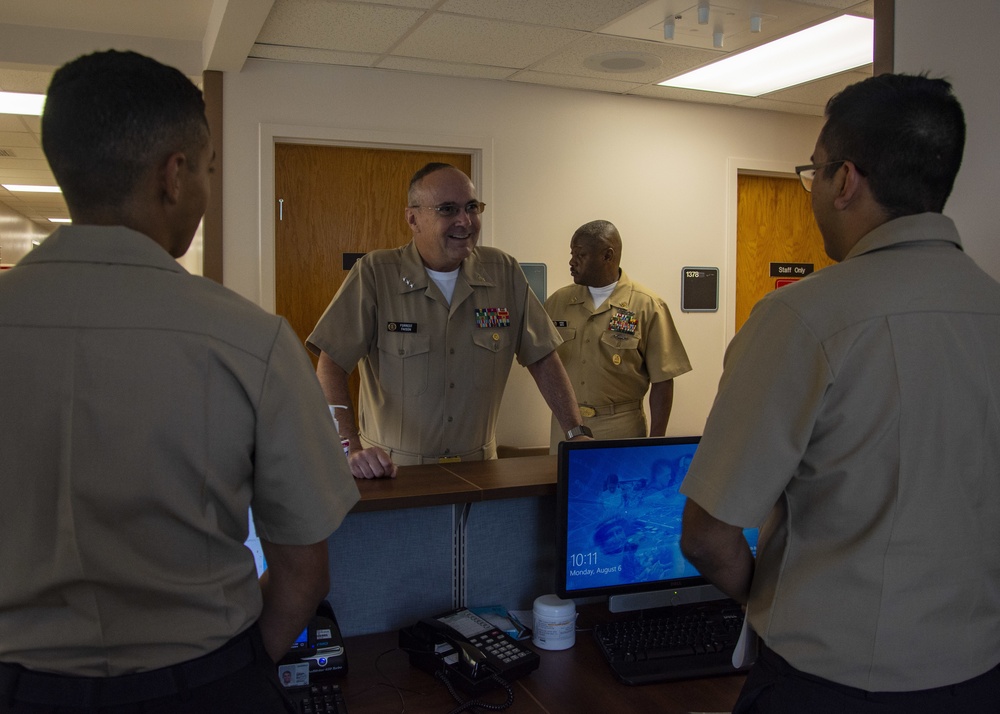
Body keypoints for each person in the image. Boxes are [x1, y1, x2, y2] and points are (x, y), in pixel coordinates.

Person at [0, 50, 360, 713]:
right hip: (205, 682)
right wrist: (245, 666)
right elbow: (303, 572)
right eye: (210, 170)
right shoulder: (253, 341)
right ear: (174, 174)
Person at [679, 73, 1000, 713]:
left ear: (846, 180)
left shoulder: (802, 320)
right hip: (979, 677)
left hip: (827, 682)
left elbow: (708, 536)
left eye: (814, 173)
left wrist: (766, 599)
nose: (814, 192)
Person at [308, 162, 590, 478]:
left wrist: (575, 431)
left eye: (472, 207)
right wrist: (351, 447)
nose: (464, 221)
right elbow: (331, 364)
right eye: (447, 209)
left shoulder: (504, 272)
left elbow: (543, 358)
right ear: (413, 218)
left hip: (481, 469)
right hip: (394, 473)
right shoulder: (375, 274)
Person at [544, 220, 691, 451]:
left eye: (580, 255)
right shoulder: (557, 303)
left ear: (607, 256)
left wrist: (656, 443)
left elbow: (663, 381)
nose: (572, 262)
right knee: (563, 487)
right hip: (567, 428)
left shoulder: (647, 306)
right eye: (572, 254)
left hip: (620, 428)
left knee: (622, 487)